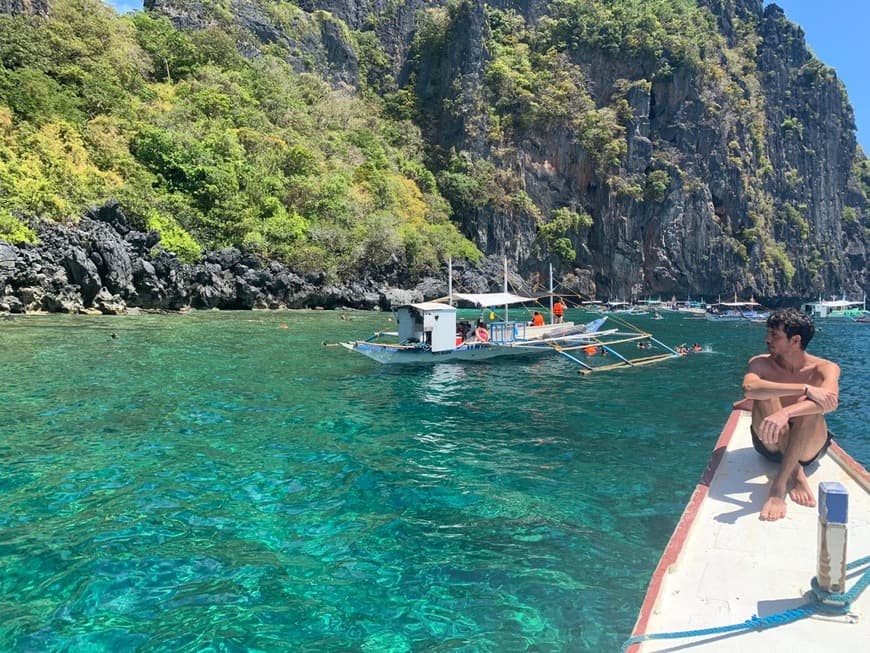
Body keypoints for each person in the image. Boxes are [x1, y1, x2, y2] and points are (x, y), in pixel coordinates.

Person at [739, 308, 839, 522]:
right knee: (766, 394)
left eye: (774, 335)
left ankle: (780, 483)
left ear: (795, 340)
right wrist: (804, 388)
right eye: (768, 333)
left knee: (812, 407)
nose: (767, 340)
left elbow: (830, 402)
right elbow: (750, 388)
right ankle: (793, 475)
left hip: (808, 447)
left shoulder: (825, 368)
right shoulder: (760, 363)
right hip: (770, 441)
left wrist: (786, 412)